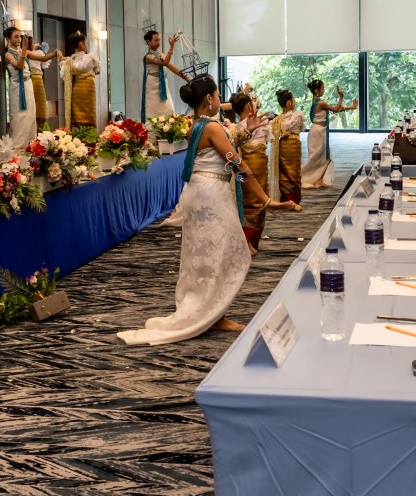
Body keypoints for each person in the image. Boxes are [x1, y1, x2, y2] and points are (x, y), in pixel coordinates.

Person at [118, 75, 290, 345]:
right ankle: (211, 313)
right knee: (226, 251)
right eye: (218, 95)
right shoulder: (211, 127)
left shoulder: (197, 126)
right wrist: (266, 200)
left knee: (205, 254)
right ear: (209, 98)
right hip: (211, 195)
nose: (221, 100)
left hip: (200, 192)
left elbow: (221, 149)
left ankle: (212, 311)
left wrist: (245, 131)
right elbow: (237, 164)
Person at [231, 93, 289, 252]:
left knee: (249, 203)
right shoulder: (257, 125)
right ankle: (247, 241)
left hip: (245, 169)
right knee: (257, 203)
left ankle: (248, 241)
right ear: (248, 106)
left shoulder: (235, 128)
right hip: (254, 169)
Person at [302, 79, 357, 189]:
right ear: (317, 91)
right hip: (318, 133)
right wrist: (341, 97)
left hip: (318, 131)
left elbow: (334, 109)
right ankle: (309, 177)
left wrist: (350, 107)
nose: (324, 90)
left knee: (323, 157)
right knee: (318, 158)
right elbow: (336, 109)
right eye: (322, 89)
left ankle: (319, 180)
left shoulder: (318, 101)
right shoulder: (320, 103)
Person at [3, 29, 39, 151]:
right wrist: (24, 48)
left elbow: (43, 59)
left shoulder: (24, 52)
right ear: (8, 39)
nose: (19, 39)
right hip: (17, 88)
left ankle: (31, 147)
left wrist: (55, 53)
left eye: (20, 37)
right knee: (20, 118)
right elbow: (19, 65)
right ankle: (17, 150)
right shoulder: (8, 54)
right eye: (16, 37)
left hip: (28, 85)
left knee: (31, 116)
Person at [272, 88, 305, 210]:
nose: (294, 102)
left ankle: (287, 198)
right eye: (293, 100)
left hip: (283, 144)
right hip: (293, 143)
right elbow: (302, 128)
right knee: (294, 172)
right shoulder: (297, 115)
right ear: (289, 103)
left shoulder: (278, 119)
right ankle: (292, 200)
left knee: (285, 171)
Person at [142, 29, 185, 121]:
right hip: (153, 84)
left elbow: (171, 66)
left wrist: (184, 76)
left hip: (163, 83)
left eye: (159, 40)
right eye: (156, 40)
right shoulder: (148, 57)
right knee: (154, 106)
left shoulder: (161, 54)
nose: (159, 42)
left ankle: (168, 125)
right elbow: (165, 63)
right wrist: (171, 47)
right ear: (148, 42)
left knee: (167, 107)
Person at [64, 31, 100, 128]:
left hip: (76, 89)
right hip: (88, 89)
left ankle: (77, 134)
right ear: (82, 44)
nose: (87, 45)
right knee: (89, 114)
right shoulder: (90, 57)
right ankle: (89, 134)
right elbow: (98, 70)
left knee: (78, 117)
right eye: (86, 42)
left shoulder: (70, 60)